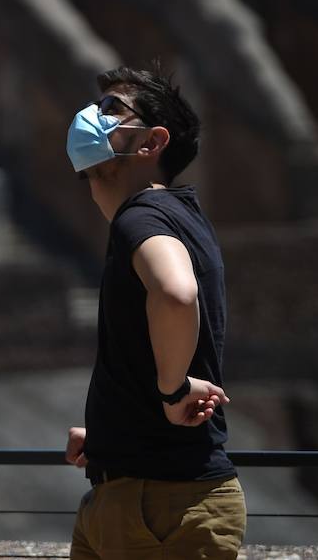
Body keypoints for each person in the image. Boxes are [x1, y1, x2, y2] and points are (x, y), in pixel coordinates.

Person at [63, 66, 247, 558]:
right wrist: (108, 432)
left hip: (161, 503)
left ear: (152, 142)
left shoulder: (142, 215)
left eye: (110, 110)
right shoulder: (170, 213)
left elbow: (176, 294)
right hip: (139, 497)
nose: (90, 117)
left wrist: (174, 390)